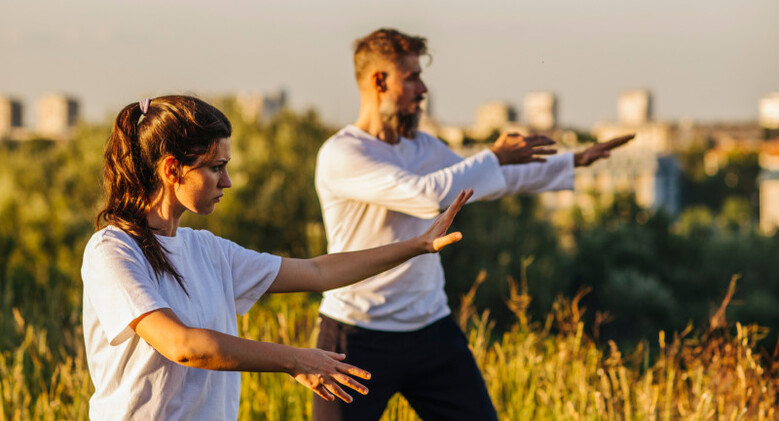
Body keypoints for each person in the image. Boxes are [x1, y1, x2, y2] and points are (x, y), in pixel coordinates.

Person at [81, 95, 473, 420]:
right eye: (217, 168)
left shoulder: (208, 250)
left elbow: (318, 272)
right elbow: (184, 345)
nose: (228, 182)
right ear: (172, 169)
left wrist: (416, 246)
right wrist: (294, 360)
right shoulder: (112, 250)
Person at [312, 28, 634, 420]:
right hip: (355, 337)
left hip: (431, 331)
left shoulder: (426, 148)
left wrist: (573, 161)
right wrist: (494, 154)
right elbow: (427, 195)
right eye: (412, 77)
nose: (423, 88)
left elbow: (492, 180)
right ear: (380, 81)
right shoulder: (343, 153)